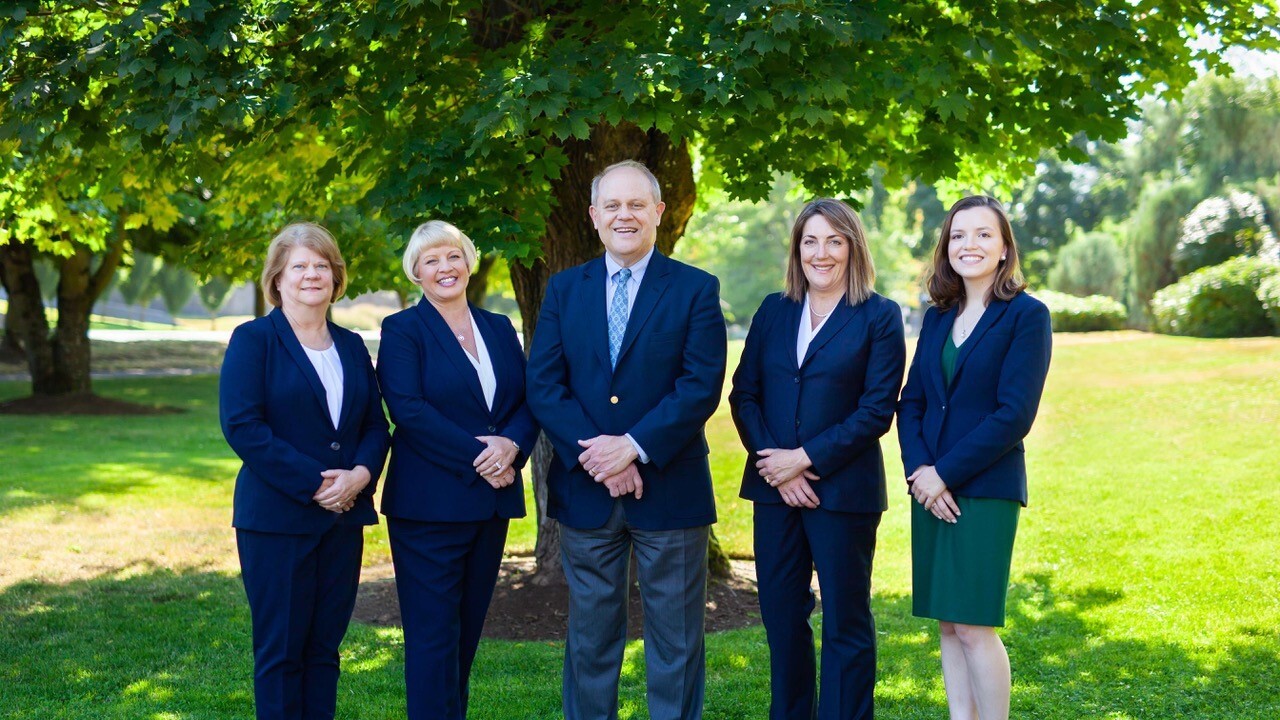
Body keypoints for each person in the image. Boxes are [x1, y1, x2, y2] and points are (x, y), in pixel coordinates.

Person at [526, 160, 728, 720]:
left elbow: (699, 386)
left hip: (671, 489)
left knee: (677, 644)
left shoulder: (695, 289)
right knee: (590, 641)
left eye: (637, 204)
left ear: (659, 212)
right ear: (593, 217)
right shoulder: (565, 290)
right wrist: (601, 455)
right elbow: (544, 384)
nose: (624, 215)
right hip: (586, 490)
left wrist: (633, 446)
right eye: (612, 205)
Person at [728, 198, 905, 719]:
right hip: (774, 493)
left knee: (845, 621)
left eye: (834, 241)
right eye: (810, 241)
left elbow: (876, 411)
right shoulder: (772, 310)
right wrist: (776, 467)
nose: (820, 253)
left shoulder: (879, 315)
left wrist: (803, 460)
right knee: (782, 619)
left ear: (853, 248)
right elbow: (745, 395)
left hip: (843, 493)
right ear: (797, 249)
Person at [219, 222, 390, 720]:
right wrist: (316, 483)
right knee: (281, 652)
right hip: (277, 520)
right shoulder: (254, 340)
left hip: (343, 520)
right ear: (277, 279)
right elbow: (243, 426)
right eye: (299, 266)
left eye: (321, 266)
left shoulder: (353, 345)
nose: (311, 275)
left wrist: (360, 476)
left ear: (335, 278)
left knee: (324, 650)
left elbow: (375, 427)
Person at [376, 221, 539, 720]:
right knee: (432, 640)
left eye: (452, 257)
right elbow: (408, 408)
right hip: (429, 507)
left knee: (466, 635)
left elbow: (528, 399)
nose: (444, 268)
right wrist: (483, 457)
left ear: (469, 263)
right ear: (416, 273)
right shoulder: (403, 329)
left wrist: (511, 445)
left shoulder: (498, 327)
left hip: (489, 505)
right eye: (431, 261)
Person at [896, 195, 1052, 720]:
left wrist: (943, 474)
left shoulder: (1027, 317)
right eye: (959, 235)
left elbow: (1013, 415)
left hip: (983, 489)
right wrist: (921, 473)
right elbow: (912, 400)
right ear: (946, 247)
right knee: (946, 621)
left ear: (1005, 247)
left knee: (974, 623)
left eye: (984, 234)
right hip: (930, 487)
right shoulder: (937, 317)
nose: (970, 245)